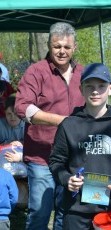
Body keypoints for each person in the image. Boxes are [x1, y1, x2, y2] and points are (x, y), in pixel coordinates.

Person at [15, 22, 85, 230]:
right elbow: (22, 107)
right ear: (49, 45)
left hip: (73, 158)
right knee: (40, 212)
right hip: (42, 157)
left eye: (66, 46)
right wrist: (62, 121)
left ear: (75, 47)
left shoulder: (84, 73)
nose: (62, 51)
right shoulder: (36, 72)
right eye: (57, 46)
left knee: (66, 213)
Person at [49, 63, 111, 230]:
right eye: (90, 87)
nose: (95, 91)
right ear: (81, 89)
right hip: (75, 209)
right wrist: (67, 179)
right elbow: (56, 161)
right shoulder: (69, 125)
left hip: (108, 209)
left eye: (101, 86)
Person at [0, 94, 25, 162]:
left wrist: (21, 143)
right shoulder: (1, 125)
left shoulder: (28, 127)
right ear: (5, 113)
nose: (13, 117)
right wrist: (7, 145)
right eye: (9, 114)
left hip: (22, 158)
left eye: (16, 114)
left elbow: (34, 148)